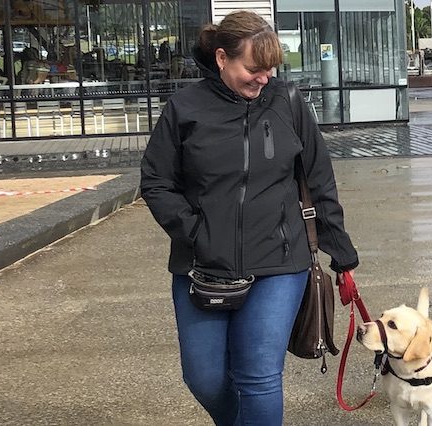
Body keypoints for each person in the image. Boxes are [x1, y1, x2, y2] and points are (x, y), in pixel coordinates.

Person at [140, 10, 359, 425]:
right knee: (202, 378)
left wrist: (342, 254)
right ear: (222, 58)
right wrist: (195, 233)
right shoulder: (184, 109)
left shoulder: (287, 103)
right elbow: (155, 181)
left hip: (279, 262)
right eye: (254, 68)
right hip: (202, 265)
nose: (264, 78)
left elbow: (318, 180)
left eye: (271, 68)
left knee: (258, 377)